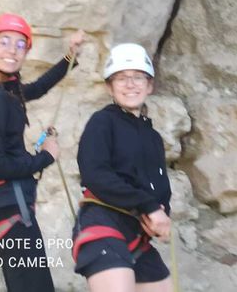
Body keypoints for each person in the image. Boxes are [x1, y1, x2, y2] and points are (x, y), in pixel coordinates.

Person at [0, 13, 85, 292]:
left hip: (6, 205)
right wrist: (45, 157)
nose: (12, 50)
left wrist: (70, 57)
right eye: (4, 42)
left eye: (20, 45)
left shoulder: (2, 87)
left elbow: (36, 89)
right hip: (6, 208)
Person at [72, 43, 172, 292]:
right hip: (103, 222)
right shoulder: (102, 123)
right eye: (121, 78)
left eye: (138, 77)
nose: (130, 84)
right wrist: (148, 206)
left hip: (136, 232)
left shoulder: (153, 137)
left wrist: (161, 218)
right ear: (110, 86)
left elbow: (159, 187)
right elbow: (96, 175)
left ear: (149, 85)